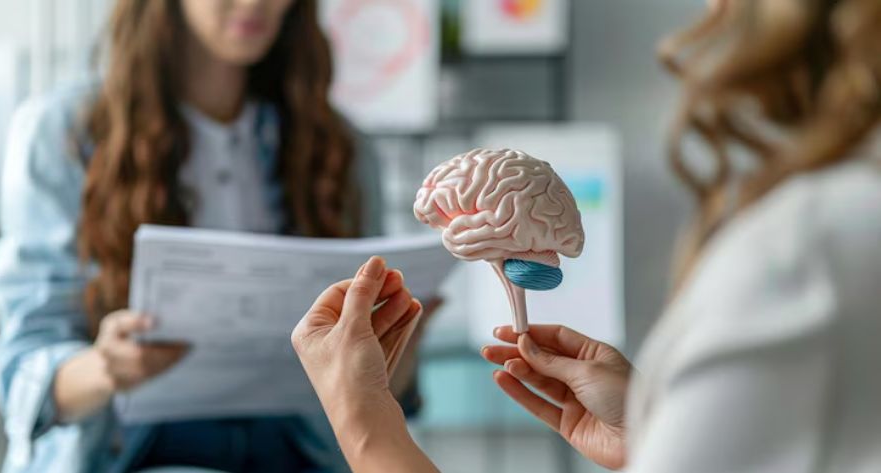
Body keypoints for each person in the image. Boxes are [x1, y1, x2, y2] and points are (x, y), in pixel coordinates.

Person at [292, 0, 881, 471]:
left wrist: (361, 422)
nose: (707, 15)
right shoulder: (835, 229)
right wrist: (647, 436)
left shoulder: (806, 253)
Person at [0, 0, 427, 472]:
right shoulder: (64, 133)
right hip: (124, 453)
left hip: (302, 450)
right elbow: (24, 376)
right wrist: (105, 367)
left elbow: (387, 396)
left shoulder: (341, 147)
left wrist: (395, 338)